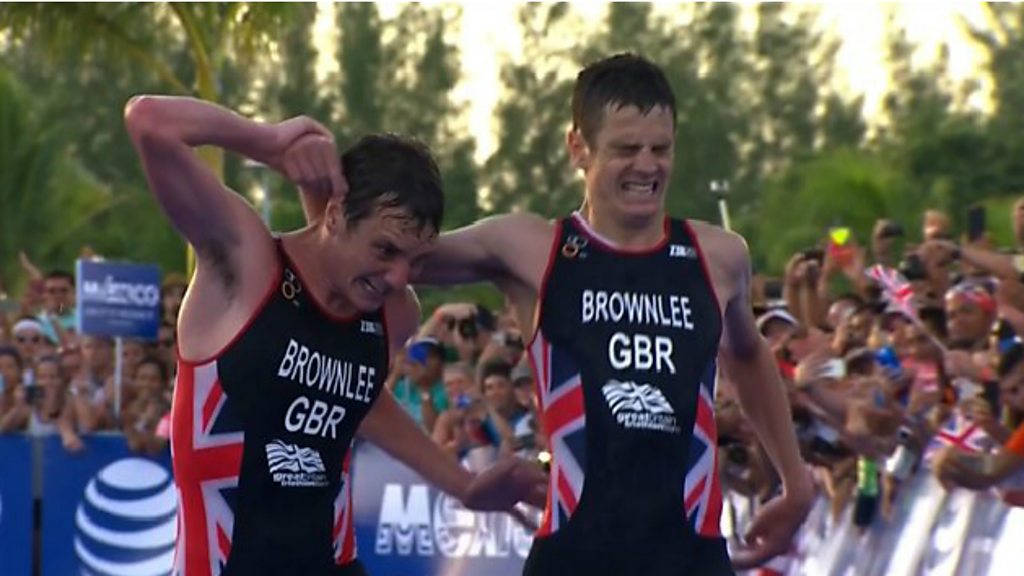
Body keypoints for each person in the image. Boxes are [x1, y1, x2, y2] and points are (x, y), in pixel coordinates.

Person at [301, 53, 813, 575]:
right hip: (574, 555)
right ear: (578, 148)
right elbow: (375, 253)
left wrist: (796, 480)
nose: (646, 166)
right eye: (626, 149)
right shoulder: (530, 248)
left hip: (690, 557)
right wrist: (319, 195)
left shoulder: (719, 256)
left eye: (661, 149)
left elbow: (747, 357)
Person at [124, 95, 544, 576]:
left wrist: (463, 485)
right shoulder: (247, 266)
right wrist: (266, 143)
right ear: (335, 214)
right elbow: (150, 122)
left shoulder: (393, 313)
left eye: (417, 261)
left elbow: (361, 402)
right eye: (385, 250)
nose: (398, 277)